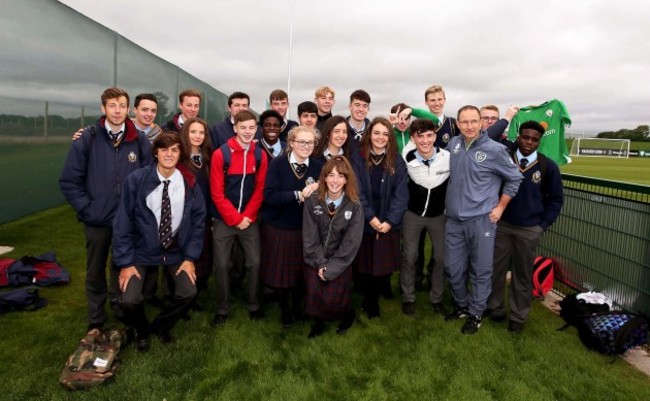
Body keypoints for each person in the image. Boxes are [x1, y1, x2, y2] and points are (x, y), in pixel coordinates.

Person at [59, 87, 153, 333]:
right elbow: (69, 181)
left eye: (122, 105)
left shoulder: (139, 140)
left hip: (128, 220)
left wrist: (138, 210)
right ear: (103, 108)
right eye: (112, 105)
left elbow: (148, 180)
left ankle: (120, 307)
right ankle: (96, 318)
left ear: (129, 109)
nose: (117, 110)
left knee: (122, 265)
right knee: (95, 269)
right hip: (97, 219)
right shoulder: (88, 138)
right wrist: (87, 209)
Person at [113, 132, 205, 351]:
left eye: (174, 150)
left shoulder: (189, 182)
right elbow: (122, 223)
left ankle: (160, 326)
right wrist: (126, 262)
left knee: (188, 292)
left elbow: (199, 222)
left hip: (176, 251)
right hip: (142, 251)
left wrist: (190, 257)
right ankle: (142, 331)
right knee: (130, 299)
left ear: (180, 153)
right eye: (164, 149)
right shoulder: (137, 180)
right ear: (156, 152)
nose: (169, 154)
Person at [444, 105, 522, 335]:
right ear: (457, 124)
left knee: (481, 270)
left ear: (481, 123)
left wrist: (500, 207)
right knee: (452, 268)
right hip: (454, 221)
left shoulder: (495, 150)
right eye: (464, 122)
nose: (469, 126)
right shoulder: (454, 145)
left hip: (481, 220)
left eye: (473, 121)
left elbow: (515, 178)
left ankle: (476, 313)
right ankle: (462, 305)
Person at [486, 121, 564, 332]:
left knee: (522, 274)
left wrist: (542, 225)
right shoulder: (504, 159)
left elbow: (556, 200)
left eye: (534, 139)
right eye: (525, 137)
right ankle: (495, 309)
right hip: (501, 225)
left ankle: (518, 317)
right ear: (518, 137)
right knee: (495, 270)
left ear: (540, 141)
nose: (529, 142)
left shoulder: (548, 167)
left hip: (529, 229)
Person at [210, 110, 268, 326]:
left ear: (256, 129)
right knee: (222, 265)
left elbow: (260, 189)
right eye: (243, 127)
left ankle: (253, 304)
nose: (247, 132)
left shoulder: (260, 154)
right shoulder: (220, 154)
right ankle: (222, 308)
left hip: (249, 219)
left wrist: (248, 216)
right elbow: (217, 193)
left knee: (254, 262)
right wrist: (235, 218)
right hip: (224, 219)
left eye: (252, 128)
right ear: (235, 127)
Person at [261, 126, 322, 327]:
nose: (306, 146)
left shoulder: (318, 166)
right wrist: (298, 195)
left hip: (305, 229)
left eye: (310, 142)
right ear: (292, 143)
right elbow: (269, 197)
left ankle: (298, 307)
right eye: (301, 142)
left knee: (299, 273)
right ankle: (285, 311)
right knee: (281, 275)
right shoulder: (277, 164)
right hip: (280, 226)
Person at [351, 117, 408, 319]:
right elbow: (355, 191)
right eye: (376, 133)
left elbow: (401, 194)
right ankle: (369, 298)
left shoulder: (396, 159)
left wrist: (390, 221)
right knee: (365, 262)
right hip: (364, 216)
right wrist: (370, 218)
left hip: (387, 218)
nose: (380, 137)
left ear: (390, 137)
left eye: (385, 134)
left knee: (382, 262)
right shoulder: (357, 158)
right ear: (369, 134)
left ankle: (375, 297)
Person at [302, 156, 363, 338]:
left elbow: (351, 243)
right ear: (324, 177)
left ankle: (347, 314)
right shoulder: (313, 200)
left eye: (340, 176)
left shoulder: (354, 205)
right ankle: (318, 322)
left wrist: (332, 267)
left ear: (346, 179)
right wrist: (321, 264)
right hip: (315, 258)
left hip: (340, 260)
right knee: (314, 292)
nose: (335, 181)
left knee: (334, 298)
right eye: (331, 175)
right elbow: (310, 237)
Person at [399, 119, 450, 317]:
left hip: (438, 216)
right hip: (413, 215)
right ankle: (408, 297)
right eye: (420, 136)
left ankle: (436, 298)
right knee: (410, 256)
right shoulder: (407, 155)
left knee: (440, 257)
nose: (425, 140)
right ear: (413, 139)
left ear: (435, 136)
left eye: (429, 135)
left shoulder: (447, 157)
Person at [180, 117, 214, 295]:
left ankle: (196, 292)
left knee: (203, 255)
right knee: (183, 256)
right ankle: (180, 294)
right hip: (184, 218)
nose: (198, 135)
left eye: (201, 132)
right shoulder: (179, 158)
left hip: (205, 216)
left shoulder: (208, 158)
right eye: (193, 131)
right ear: (185, 133)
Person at [70, 93, 162, 143]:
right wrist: (85, 135)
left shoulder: (161, 136)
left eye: (153, 111)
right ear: (134, 110)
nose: (149, 114)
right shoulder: (119, 129)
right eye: (145, 109)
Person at [424, 85, 457, 149]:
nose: (437, 103)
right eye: (432, 100)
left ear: (444, 100)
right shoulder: (419, 124)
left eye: (439, 99)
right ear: (426, 102)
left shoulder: (453, 123)